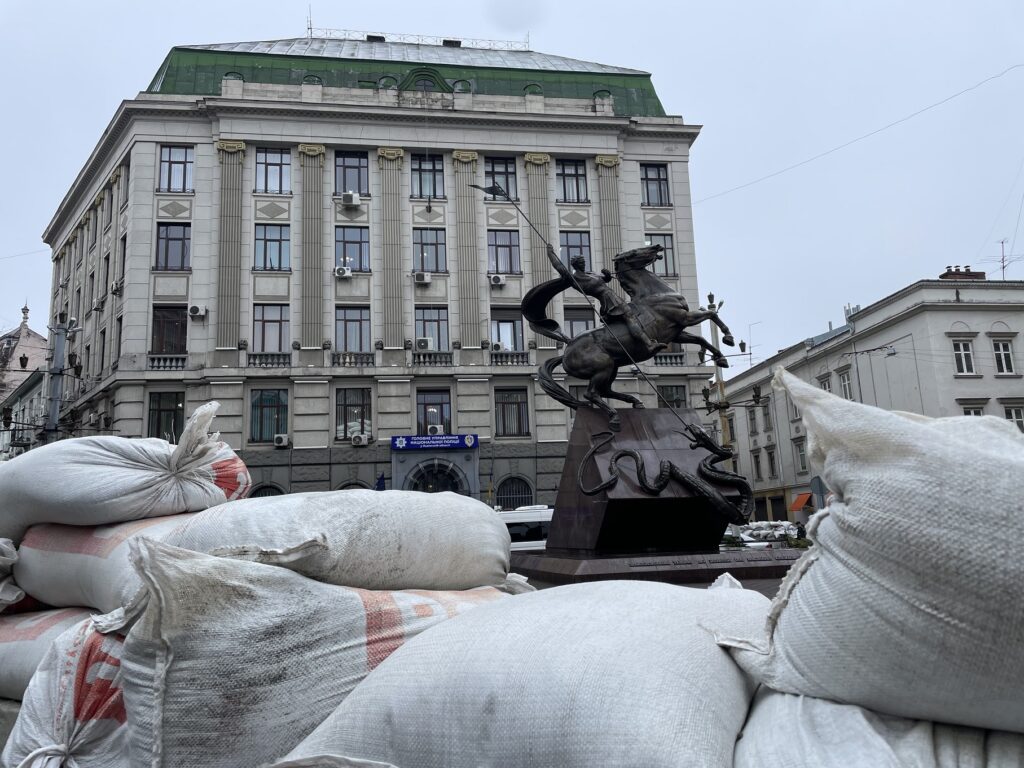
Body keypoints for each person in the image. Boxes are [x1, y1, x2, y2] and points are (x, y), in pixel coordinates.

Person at [566, 251, 667, 356]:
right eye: (581, 262)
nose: (584, 264)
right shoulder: (575, 278)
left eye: (584, 262)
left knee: (631, 317)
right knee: (630, 318)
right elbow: (559, 267)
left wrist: (607, 275)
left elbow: (604, 280)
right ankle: (648, 344)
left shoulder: (589, 274)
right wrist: (550, 252)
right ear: (576, 264)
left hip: (611, 297)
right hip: (609, 301)